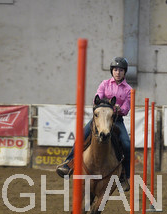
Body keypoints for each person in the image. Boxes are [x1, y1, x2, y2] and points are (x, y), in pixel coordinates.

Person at [56, 57, 132, 191]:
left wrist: (119, 109)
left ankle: (124, 176)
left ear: (124, 72)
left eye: (121, 70)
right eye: (115, 70)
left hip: (116, 120)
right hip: (100, 118)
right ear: (112, 71)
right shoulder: (104, 84)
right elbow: (97, 98)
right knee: (82, 136)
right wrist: (103, 105)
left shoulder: (128, 89)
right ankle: (68, 164)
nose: (118, 72)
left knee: (126, 144)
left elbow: (126, 108)